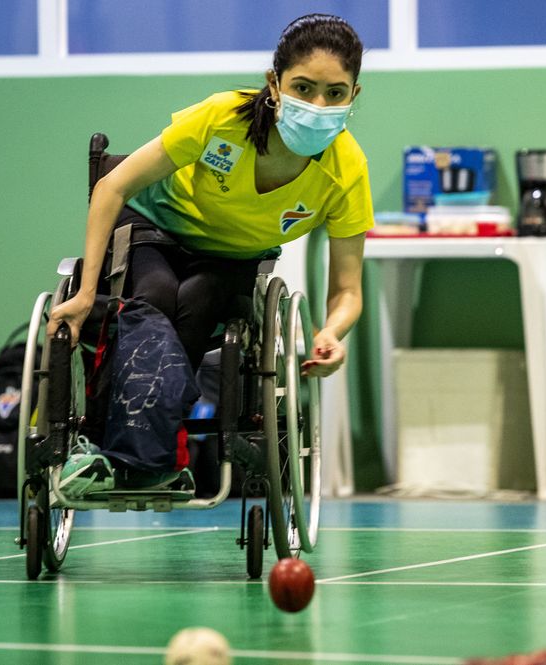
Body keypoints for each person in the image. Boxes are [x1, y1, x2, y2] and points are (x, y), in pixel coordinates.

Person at [48, 13, 374, 497]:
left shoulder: (347, 170)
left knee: (197, 303)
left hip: (233, 259)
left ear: (354, 95)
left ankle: (141, 457)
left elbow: (347, 290)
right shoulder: (222, 118)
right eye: (303, 88)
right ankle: (135, 452)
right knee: (155, 297)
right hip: (153, 229)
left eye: (334, 92)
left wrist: (331, 332)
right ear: (275, 83)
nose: (317, 104)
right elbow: (113, 185)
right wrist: (86, 293)